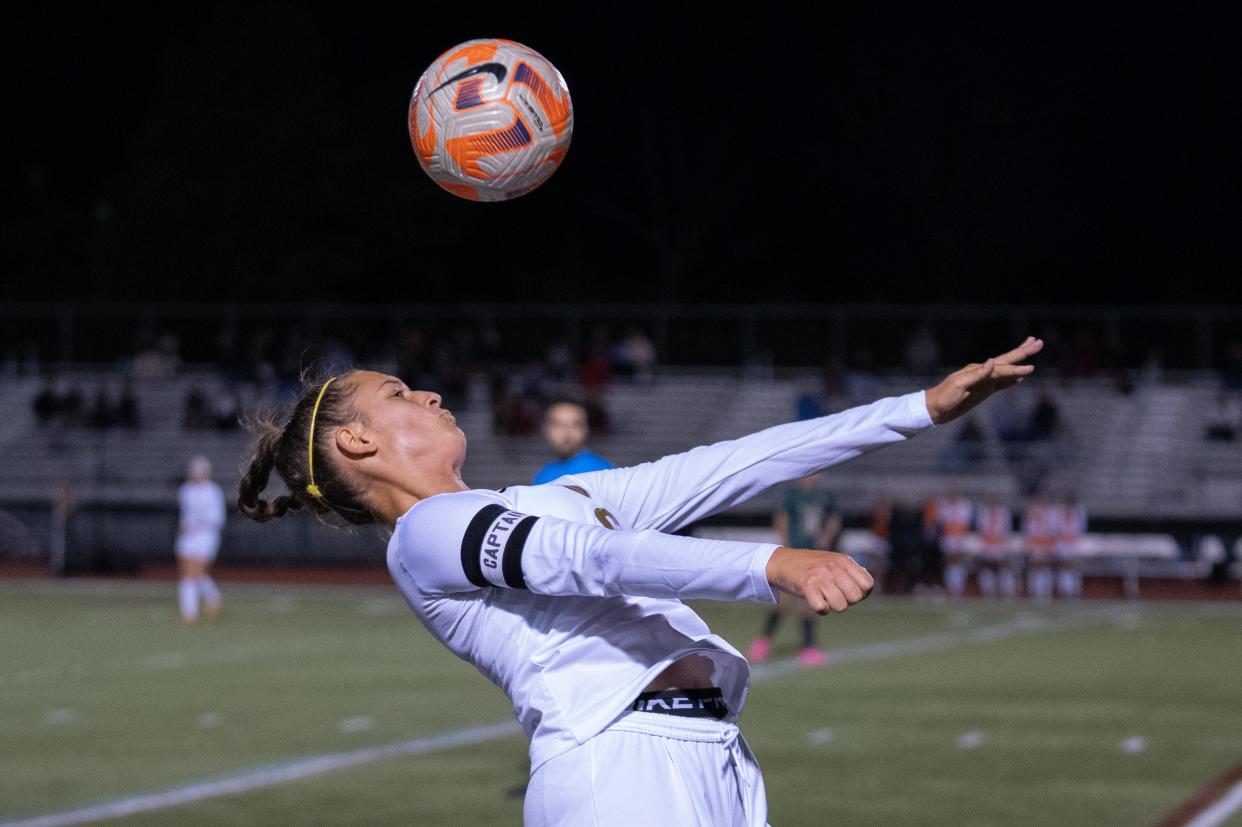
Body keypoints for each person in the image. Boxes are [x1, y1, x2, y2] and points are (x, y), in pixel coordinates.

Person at [236, 337, 1041, 826]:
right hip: (618, 766)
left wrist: (918, 409)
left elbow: (729, 465)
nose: (431, 393)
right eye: (400, 394)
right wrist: (770, 564)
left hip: (710, 748)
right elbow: (592, 560)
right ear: (358, 443)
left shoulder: (544, 499)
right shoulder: (425, 537)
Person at [747, 474, 842, 667]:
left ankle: (808, 647)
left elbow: (833, 519)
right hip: (794, 555)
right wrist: (786, 546)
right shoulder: (792, 494)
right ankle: (763, 642)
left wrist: (826, 537)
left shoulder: (824, 495)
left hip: (813, 555)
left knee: (810, 603)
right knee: (783, 602)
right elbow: (781, 519)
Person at [176, 455, 226, 622]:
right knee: (188, 572)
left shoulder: (213, 491)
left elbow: (217, 519)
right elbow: (186, 515)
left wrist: (197, 526)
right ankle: (212, 597)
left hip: (206, 535)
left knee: (195, 572)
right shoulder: (185, 490)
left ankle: (190, 611)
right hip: (188, 536)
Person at [531, 399, 614, 484]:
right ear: (545, 429)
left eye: (576, 425)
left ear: (587, 429)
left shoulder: (602, 473)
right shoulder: (543, 475)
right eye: (558, 425)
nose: (567, 433)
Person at [975, 493, 1016, 599]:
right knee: (986, 567)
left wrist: (1007, 547)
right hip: (986, 544)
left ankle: (1005, 592)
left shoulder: (1004, 513)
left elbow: (1007, 532)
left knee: (1004, 567)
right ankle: (988, 592)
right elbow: (980, 531)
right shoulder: (982, 513)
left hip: (1000, 544)